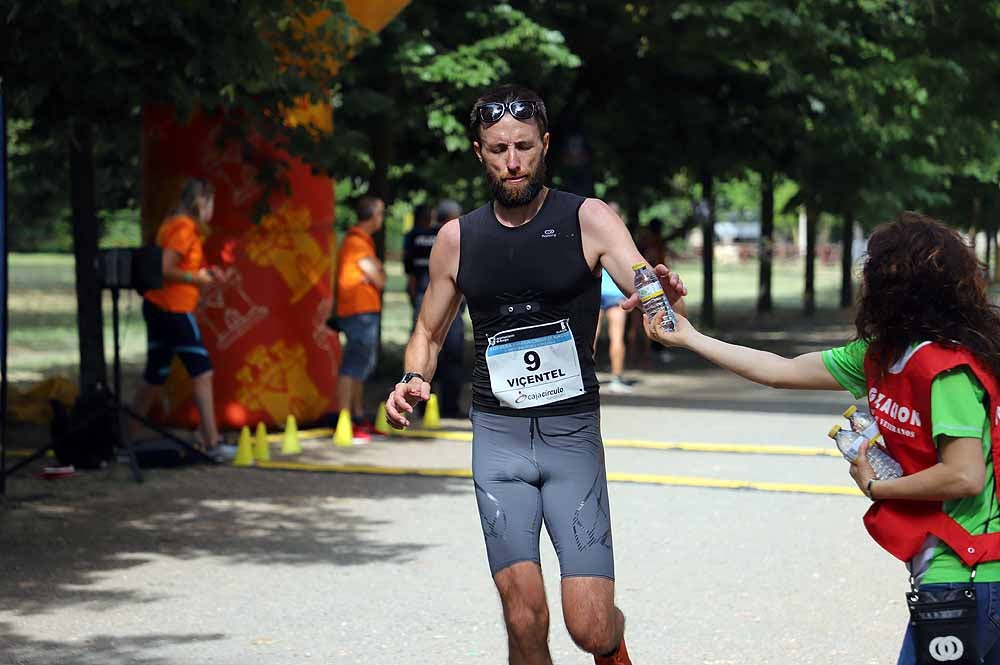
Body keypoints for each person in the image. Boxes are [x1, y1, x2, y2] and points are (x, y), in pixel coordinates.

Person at [385, 84, 688, 665]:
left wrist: (661, 297)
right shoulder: (457, 239)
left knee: (591, 629)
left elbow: (648, 290)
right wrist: (412, 381)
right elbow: (427, 332)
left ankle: (614, 647)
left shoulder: (589, 218)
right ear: (480, 152)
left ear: (545, 145)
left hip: (571, 437)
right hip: (498, 441)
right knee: (524, 615)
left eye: (524, 146)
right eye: (498, 149)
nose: (513, 161)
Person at [640, 212, 1000, 664]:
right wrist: (690, 337)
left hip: (974, 573)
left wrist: (877, 486)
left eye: (873, 271)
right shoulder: (881, 355)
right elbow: (780, 370)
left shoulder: (943, 368)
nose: (864, 283)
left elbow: (964, 475)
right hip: (954, 572)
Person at [132, 178, 235, 460]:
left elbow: (178, 264)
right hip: (172, 309)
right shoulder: (183, 227)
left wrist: (204, 273)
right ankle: (212, 442)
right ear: (200, 202)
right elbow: (164, 268)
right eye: (211, 202)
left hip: (160, 307)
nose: (212, 209)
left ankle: (127, 438)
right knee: (202, 371)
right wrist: (196, 278)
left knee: (155, 375)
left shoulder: (177, 225)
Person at [403, 202, 467, 418]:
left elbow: (410, 274)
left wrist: (414, 301)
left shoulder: (416, 237)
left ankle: (420, 405)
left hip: (423, 298)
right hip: (451, 303)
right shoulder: (455, 239)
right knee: (452, 358)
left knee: (424, 346)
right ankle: (449, 408)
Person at [334, 196, 386, 441]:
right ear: (373, 216)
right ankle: (346, 418)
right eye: (381, 214)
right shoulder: (357, 242)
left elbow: (378, 276)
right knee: (354, 364)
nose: (382, 219)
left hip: (363, 310)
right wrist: (376, 274)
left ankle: (356, 415)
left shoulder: (362, 242)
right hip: (359, 311)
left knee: (362, 364)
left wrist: (376, 274)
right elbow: (380, 278)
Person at [597, 268, 631, 394]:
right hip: (615, 292)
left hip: (596, 290)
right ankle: (616, 380)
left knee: (590, 337)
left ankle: (585, 376)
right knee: (617, 338)